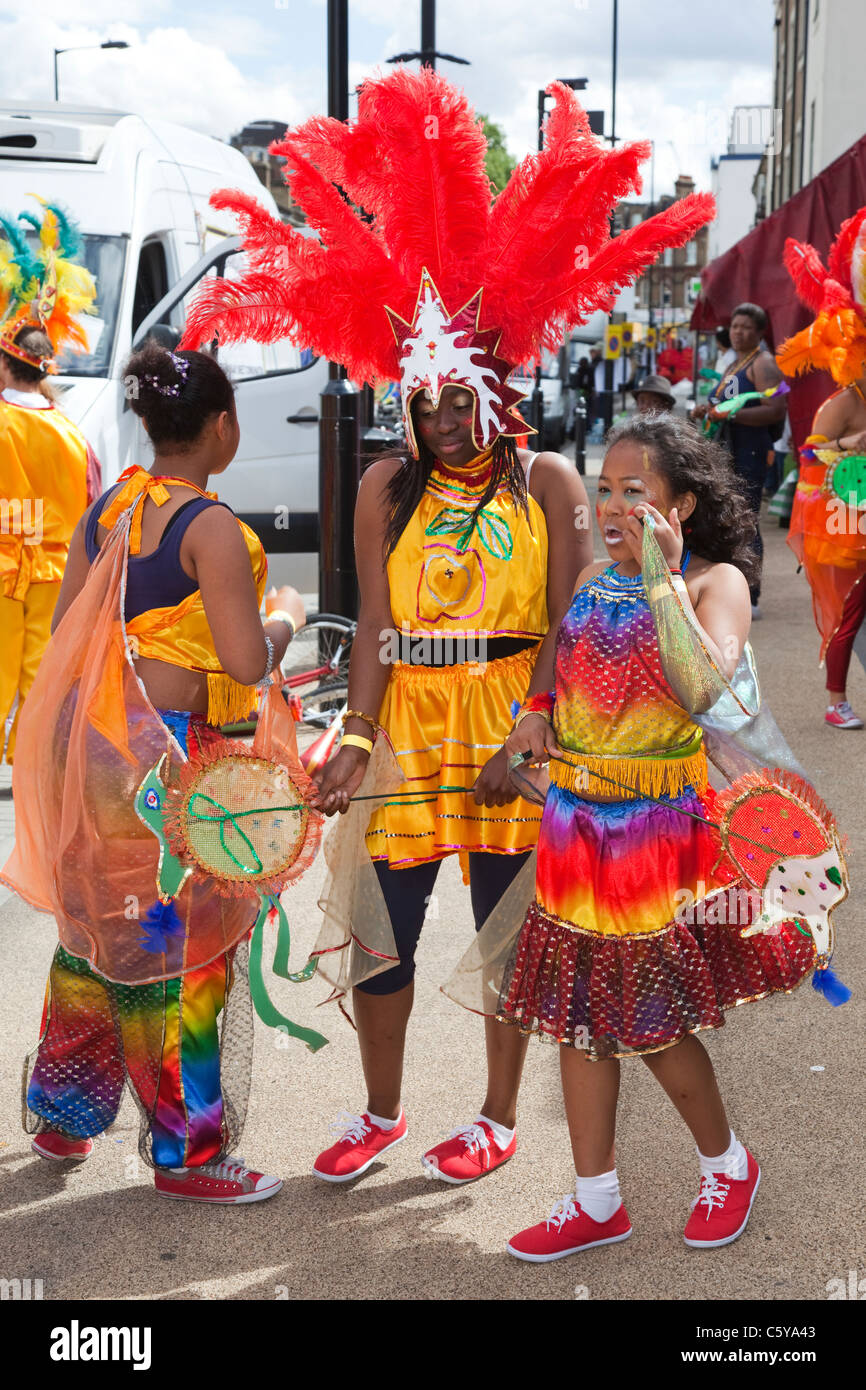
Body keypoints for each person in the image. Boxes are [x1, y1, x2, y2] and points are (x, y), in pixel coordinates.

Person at [179, 66, 715, 1185]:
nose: (436, 419)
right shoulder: (384, 486)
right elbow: (373, 621)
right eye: (420, 403)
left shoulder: (552, 483)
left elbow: (576, 626)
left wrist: (535, 725)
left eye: (452, 399)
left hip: (517, 726)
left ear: (491, 388)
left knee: (509, 937)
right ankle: (378, 1111)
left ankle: (494, 1114)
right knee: (380, 931)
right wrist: (354, 735)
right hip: (409, 727)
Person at [479, 415, 820, 1261]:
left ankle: (728, 1164)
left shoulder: (717, 587)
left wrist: (666, 576)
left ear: (684, 506)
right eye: (604, 490)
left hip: (656, 839)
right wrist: (533, 716)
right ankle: (597, 1198)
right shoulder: (595, 577)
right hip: (573, 827)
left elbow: (704, 686)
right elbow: (561, 652)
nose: (612, 507)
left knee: (652, 1018)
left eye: (637, 493)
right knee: (576, 1017)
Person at [1, 341, 307, 1203]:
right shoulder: (211, 529)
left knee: (102, 930)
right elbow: (247, 664)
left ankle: (64, 1117)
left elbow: (66, 638)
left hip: (101, 752)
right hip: (176, 761)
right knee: (188, 950)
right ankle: (188, 1154)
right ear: (224, 426)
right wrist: (286, 617)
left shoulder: (109, 511)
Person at [0, 204, 102, 763]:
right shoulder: (72, 433)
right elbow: (92, 504)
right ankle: (34, 757)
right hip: (58, 572)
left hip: (6, 568)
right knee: (43, 671)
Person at [776, 208, 866, 730]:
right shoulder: (841, 404)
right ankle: (836, 700)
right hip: (849, 523)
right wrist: (851, 444)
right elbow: (809, 458)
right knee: (850, 612)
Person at [694, 303, 786, 617]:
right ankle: (733, 587)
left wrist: (732, 413)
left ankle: (752, 594)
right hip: (729, 450)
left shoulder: (763, 363)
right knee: (729, 518)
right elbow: (722, 402)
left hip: (750, 451)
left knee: (746, 520)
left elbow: (775, 410)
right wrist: (706, 410)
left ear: (759, 333)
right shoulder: (735, 363)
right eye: (735, 326)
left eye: (746, 327)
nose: (738, 332)